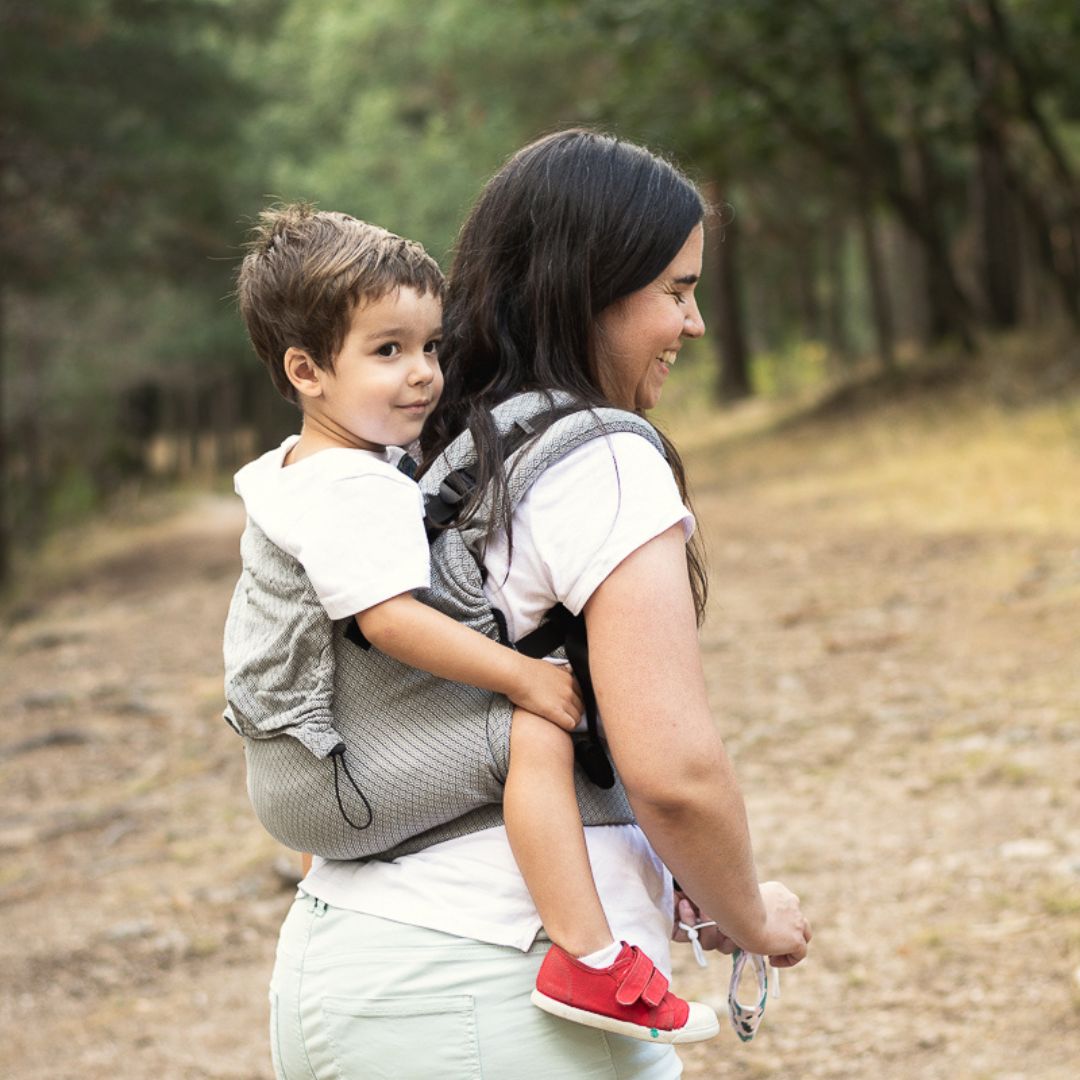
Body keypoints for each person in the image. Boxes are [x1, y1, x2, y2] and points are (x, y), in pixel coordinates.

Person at [268, 130, 812, 1080]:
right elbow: (674, 769)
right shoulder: (601, 456)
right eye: (676, 292)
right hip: (495, 989)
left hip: (340, 965)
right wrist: (752, 918)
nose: (695, 325)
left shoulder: (419, 452)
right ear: (590, 287)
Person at [228, 203, 717, 1046]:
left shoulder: (310, 468)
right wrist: (527, 677)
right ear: (306, 371)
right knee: (533, 729)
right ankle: (589, 955)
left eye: (429, 347)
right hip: (320, 781)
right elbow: (389, 625)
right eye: (388, 351)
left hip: (302, 778)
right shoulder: (351, 487)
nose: (421, 373)